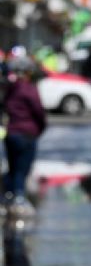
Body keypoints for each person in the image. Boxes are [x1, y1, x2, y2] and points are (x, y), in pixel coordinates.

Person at [2, 58, 47, 217]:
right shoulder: (29, 89)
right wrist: (40, 128)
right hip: (26, 134)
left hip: (11, 134)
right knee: (22, 169)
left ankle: (8, 197)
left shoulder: (10, 89)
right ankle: (18, 198)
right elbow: (39, 112)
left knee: (13, 169)